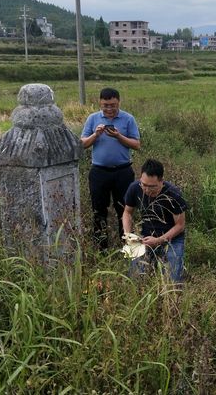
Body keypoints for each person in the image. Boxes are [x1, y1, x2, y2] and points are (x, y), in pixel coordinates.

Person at [81, 87, 141, 250]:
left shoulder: (128, 119)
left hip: (123, 171)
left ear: (119, 103)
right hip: (99, 172)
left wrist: (118, 136)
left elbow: (136, 144)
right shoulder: (93, 119)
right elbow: (82, 144)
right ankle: (101, 248)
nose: (109, 109)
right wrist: (95, 135)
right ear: (100, 103)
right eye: (105, 105)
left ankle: (128, 247)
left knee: (125, 209)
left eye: (113, 105)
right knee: (98, 210)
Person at [122, 159, 188, 283]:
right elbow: (127, 212)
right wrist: (128, 234)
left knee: (172, 280)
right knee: (134, 276)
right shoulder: (135, 188)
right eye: (144, 185)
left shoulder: (173, 194)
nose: (146, 190)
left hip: (172, 238)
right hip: (145, 237)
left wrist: (158, 240)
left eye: (152, 186)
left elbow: (180, 225)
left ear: (161, 181)